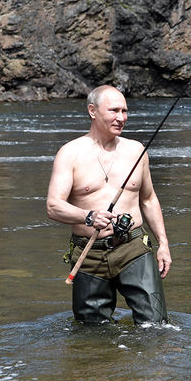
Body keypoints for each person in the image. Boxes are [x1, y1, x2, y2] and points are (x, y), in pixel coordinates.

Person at [46, 85, 171, 324]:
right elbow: (53, 206)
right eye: (114, 110)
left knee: (155, 326)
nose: (121, 117)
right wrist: (88, 216)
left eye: (125, 111)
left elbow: (148, 199)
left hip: (133, 247)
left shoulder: (137, 151)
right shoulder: (70, 153)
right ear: (92, 111)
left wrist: (163, 244)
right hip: (88, 253)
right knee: (92, 332)